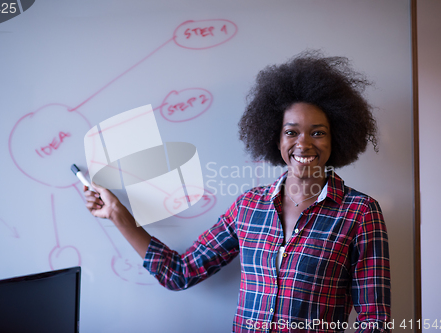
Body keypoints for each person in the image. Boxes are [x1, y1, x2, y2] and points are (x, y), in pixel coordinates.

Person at [84, 51, 391, 333]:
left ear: (337, 137)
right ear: (274, 136)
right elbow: (179, 272)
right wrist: (117, 214)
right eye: (291, 132)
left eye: (318, 132)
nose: (304, 143)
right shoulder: (248, 206)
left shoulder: (361, 213)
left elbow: (375, 320)